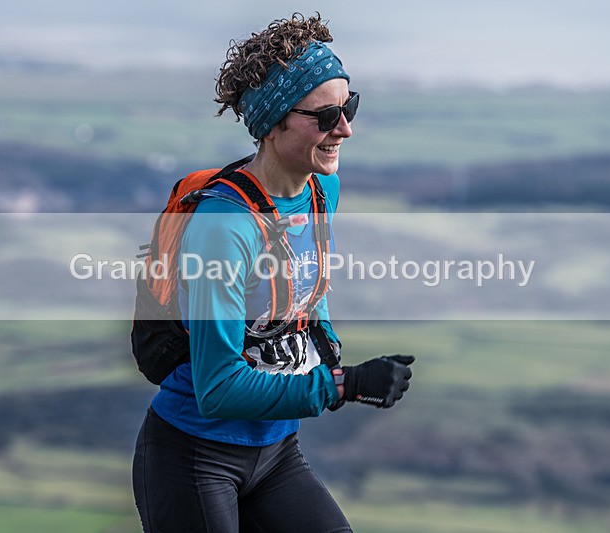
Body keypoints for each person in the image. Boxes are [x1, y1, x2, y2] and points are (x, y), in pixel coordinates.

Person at [132, 13, 414, 533]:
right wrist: (341, 385)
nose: (345, 129)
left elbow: (310, 291)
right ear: (274, 121)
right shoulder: (225, 227)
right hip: (195, 457)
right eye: (325, 116)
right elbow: (217, 389)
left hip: (277, 451)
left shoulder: (318, 189)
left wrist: (327, 345)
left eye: (349, 106)